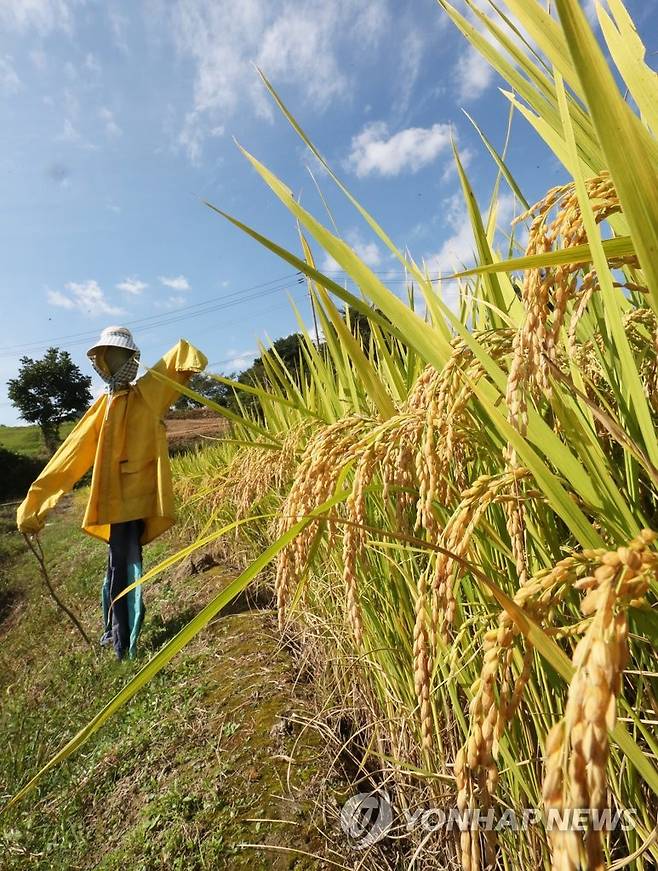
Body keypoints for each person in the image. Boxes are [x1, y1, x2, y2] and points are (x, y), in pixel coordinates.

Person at [16, 326, 208, 659]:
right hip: (114, 504)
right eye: (108, 357)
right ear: (101, 362)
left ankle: (123, 644)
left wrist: (182, 359)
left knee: (125, 566)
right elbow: (69, 457)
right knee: (117, 566)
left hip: (137, 500)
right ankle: (114, 635)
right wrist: (34, 507)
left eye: (120, 355)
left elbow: (185, 356)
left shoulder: (149, 392)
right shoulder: (101, 409)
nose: (114, 362)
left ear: (132, 358)